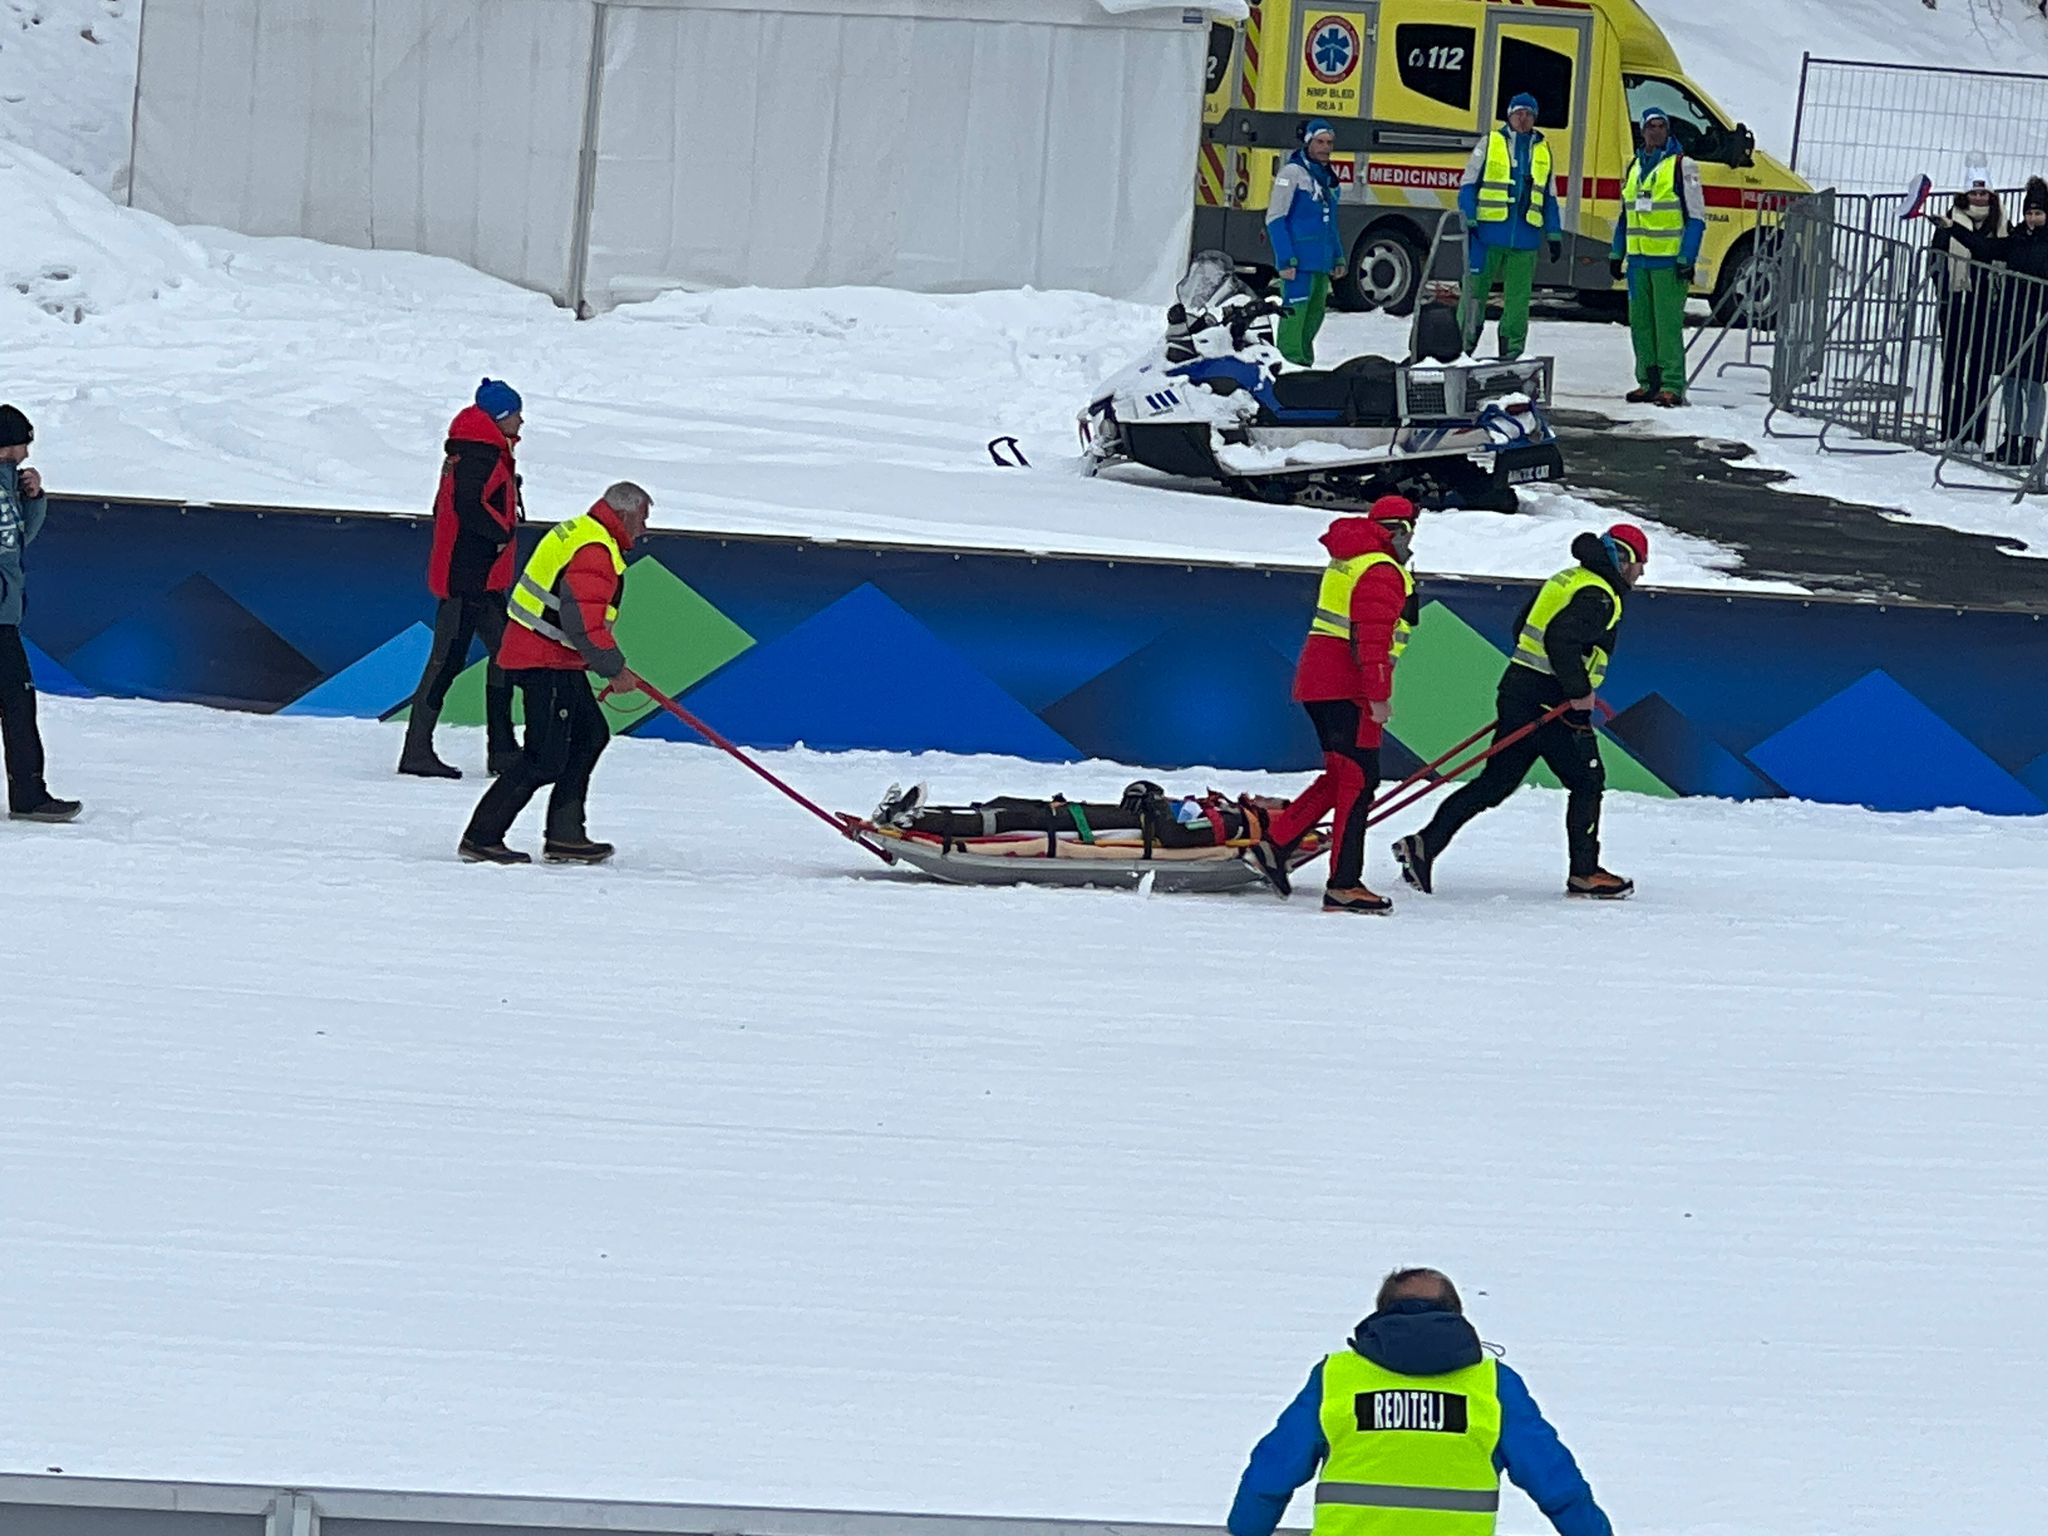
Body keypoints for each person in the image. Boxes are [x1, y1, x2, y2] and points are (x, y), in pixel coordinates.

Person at [1228, 1267, 1612, 1536]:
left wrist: (1247, 1530)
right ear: (1455, 1314)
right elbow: (1556, 1480)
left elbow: (1273, 1468)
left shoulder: (1336, 1378)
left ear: (1381, 1314)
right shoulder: (1493, 1386)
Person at [1391, 525, 1647, 901]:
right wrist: (1578, 692)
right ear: (1622, 560)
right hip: (1551, 701)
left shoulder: (1569, 579)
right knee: (1588, 780)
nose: (1640, 573)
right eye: (1638, 563)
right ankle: (1585, 873)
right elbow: (1560, 638)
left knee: (1495, 783)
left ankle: (1424, 845)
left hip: (1520, 689)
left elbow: (1523, 627)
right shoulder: (1599, 595)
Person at [459, 482, 651, 866]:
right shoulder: (595, 550)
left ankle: (566, 834)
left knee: (590, 734)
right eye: (643, 519)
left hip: (552, 657)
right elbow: (581, 621)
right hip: (544, 660)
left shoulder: (582, 531)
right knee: (544, 757)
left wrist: (607, 663)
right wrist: (614, 669)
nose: (644, 529)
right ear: (625, 514)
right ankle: (482, 836)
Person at [1249, 497, 1419, 914]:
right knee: (1358, 781)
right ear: (1399, 530)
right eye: (1410, 530)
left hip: (1320, 682)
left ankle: (1276, 845)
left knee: (1342, 774)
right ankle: (1344, 884)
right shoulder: (1381, 569)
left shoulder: (1350, 559)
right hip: (1350, 687)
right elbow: (1372, 639)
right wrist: (1378, 695)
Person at [398, 378, 525, 779]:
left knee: (506, 655)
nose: (522, 422)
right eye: (517, 414)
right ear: (500, 417)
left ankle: (502, 749)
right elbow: (469, 507)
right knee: (447, 662)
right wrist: (501, 535)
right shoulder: (479, 455)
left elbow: (448, 507)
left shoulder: (475, 451)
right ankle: (417, 751)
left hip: (480, 579)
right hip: (467, 580)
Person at [0, 404, 81, 825]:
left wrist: (32, 500)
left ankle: (30, 795)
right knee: (17, 701)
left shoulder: (8, 485)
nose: (27, 454)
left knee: (18, 702)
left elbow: (14, 545)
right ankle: (29, 796)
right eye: (23, 444)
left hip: (4, 618)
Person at [1936, 174, 2043, 464]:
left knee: (2032, 385)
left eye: (2038, 213)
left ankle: (2029, 443)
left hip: (2039, 321)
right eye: (2030, 213)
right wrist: (1952, 230)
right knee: (2009, 381)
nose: (2033, 219)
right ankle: (2010, 439)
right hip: (2011, 319)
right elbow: (1985, 249)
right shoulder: (2017, 237)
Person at [1609, 107, 1706, 407]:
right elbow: (1626, 215)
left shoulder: (1681, 166)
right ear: (1642, 131)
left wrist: (1686, 257)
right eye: (1650, 126)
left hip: (1668, 262)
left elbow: (1696, 218)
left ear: (1668, 130)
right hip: (1639, 261)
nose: (1655, 131)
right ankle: (1647, 381)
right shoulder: (1635, 166)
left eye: (1661, 125)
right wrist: (1617, 252)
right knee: (1641, 325)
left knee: (1667, 326)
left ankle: (1672, 384)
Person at [1457, 93, 1563, 361]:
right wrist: (1469, 216)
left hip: (1525, 239)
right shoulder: (1490, 142)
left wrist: (1554, 233)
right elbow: (1468, 183)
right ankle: (1462, 346)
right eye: (1518, 113)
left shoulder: (1543, 149)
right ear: (1509, 115)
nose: (1523, 118)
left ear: (1535, 118)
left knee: (1517, 304)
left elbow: (1549, 196)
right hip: (1486, 235)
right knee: (1474, 295)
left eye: (1528, 113)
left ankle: (1511, 353)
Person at [1930, 164, 2009, 451]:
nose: (1979, 198)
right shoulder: (1950, 220)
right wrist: (1944, 290)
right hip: (1955, 303)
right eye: (1974, 192)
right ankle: (1950, 430)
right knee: (1952, 366)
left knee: (1980, 368)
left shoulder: (2001, 224)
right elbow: (1936, 260)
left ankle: (1974, 433)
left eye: (1983, 193)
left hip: (1987, 306)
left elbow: (1995, 253)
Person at [1267, 120, 1347, 367]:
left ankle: (1304, 364)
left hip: (1320, 262)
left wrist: (1338, 256)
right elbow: (1275, 218)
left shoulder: (1327, 178)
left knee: (1314, 316)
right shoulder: (1292, 173)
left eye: (1329, 143)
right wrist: (1285, 259)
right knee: (1295, 314)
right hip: (1298, 262)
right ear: (1308, 142)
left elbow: (1330, 222)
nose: (1325, 148)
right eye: (1320, 142)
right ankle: (1289, 363)